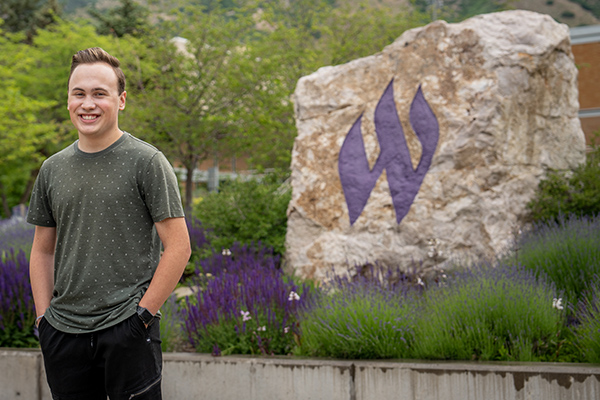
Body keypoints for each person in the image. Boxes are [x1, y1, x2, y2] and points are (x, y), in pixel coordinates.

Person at [27, 47, 192, 400]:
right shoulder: (52, 169)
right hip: (63, 333)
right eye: (79, 93)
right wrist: (44, 319)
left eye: (99, 93)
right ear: (68, 100)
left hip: (128, 328)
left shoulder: (147, 162)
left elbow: (179, 247)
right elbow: (42, 250)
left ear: (121, 100)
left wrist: (143, 316)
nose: (88, 104)